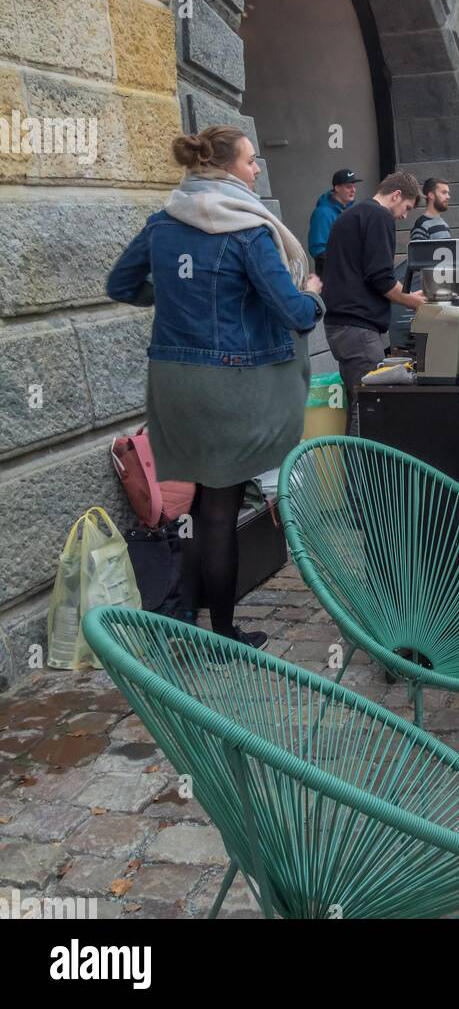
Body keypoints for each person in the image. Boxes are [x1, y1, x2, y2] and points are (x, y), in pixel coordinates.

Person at [106, 126, 326, 648]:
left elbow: (120, 285)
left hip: (173, 383)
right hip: (230, 383)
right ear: (227, 168)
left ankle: (184, 616)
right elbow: (294, 314)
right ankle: (222, 633)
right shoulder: (247, 231)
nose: (256, 170)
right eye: (252, 161)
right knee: (220, 511)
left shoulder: (163, 223)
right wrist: (314, 293)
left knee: (197, 506)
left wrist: (175, 301)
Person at [323, 171, 426, 433]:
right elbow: (381, 279)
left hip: (341, 326)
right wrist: (414, 302)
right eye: (406, 208)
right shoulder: (379, 216)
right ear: (396, 195)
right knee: (370, 405)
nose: (404, 216)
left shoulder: (352, 214)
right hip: (358, 328)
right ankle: (362, 474)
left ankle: (354, 472)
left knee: (359, 401)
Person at [309, 168, 361, 276]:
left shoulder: (351, 211)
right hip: (333, 276)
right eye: (348, 187)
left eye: (354, 186)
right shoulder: (322, 213)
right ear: (337, 188)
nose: (353, 190)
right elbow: (318, 250)